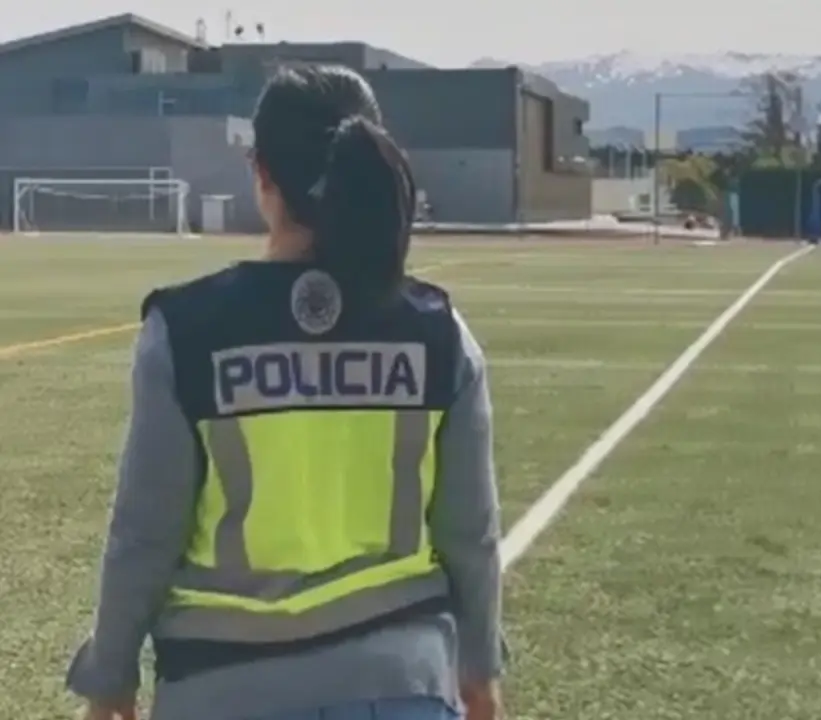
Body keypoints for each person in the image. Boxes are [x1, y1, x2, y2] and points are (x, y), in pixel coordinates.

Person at [65, 65, 504, 720]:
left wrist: (110, 679)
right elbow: (471, 532)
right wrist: (480, 673)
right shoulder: (440, 333)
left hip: (219, 687)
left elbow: (144, 535)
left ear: (261, 172)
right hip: (403, 682)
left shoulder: (185, 332)